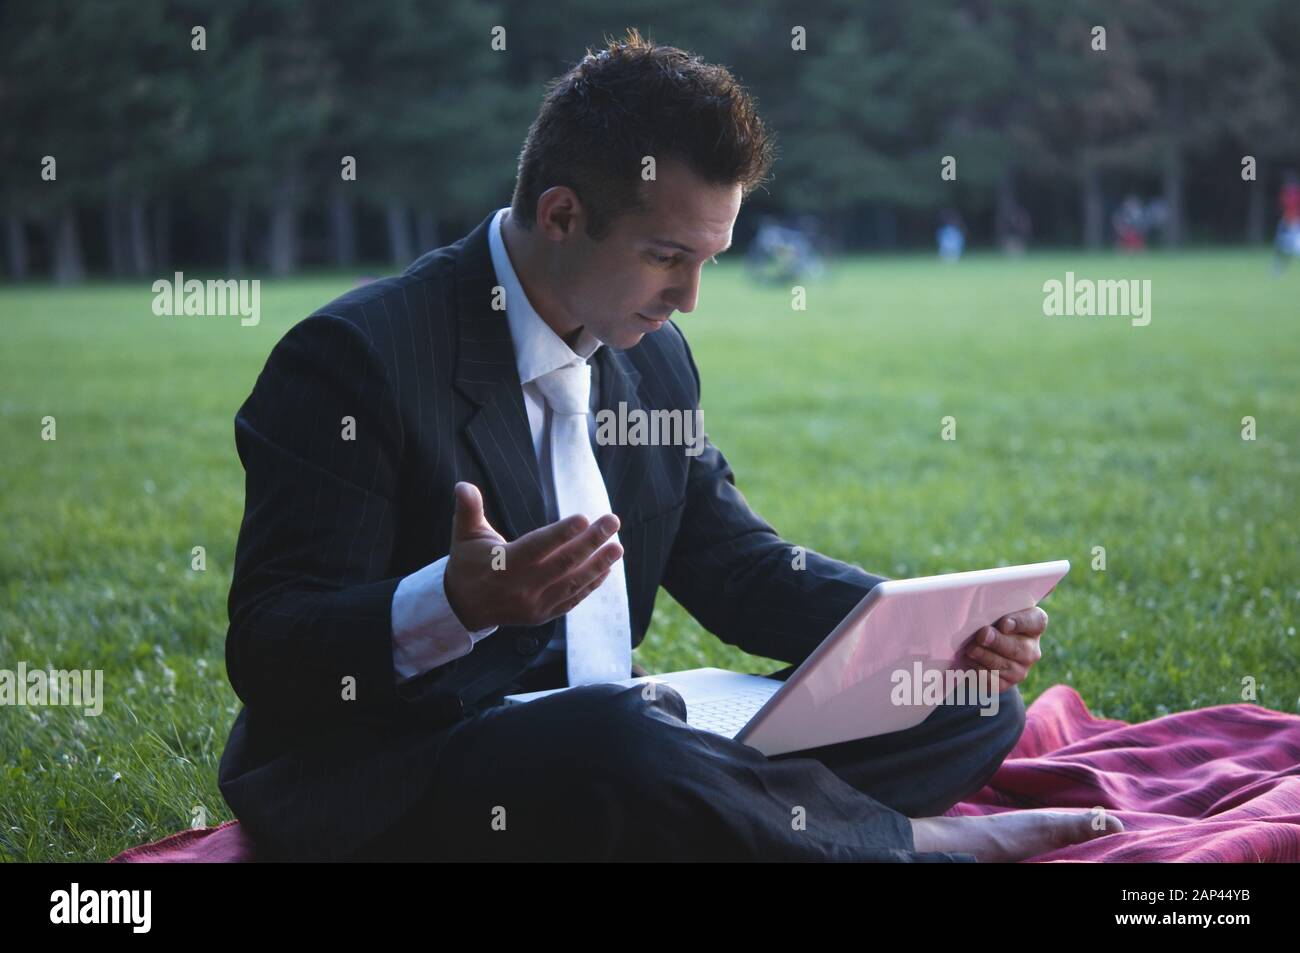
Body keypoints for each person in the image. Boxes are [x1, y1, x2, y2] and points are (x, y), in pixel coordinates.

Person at [218, 29, 1122, 862]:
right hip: (414, 759)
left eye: (709, 261)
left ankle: (738, 816)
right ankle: (907, 845)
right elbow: (269, 649)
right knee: (619, 741)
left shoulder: (652, 361)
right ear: (563, 215)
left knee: (965, 702)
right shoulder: (355, 361)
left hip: (626, 742)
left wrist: (929, 631)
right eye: (666, 256)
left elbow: (733, 562)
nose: (689, 298)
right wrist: (452, 599)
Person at [1273, 171, 1300, 274]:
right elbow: (1283, 207)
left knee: (1292, 247)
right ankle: (1279, 267)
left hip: (1294, 222)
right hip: (1287, 220)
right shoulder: (1287, 193)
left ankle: (1279, 267)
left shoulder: (1295, 194)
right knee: (1281, 244)